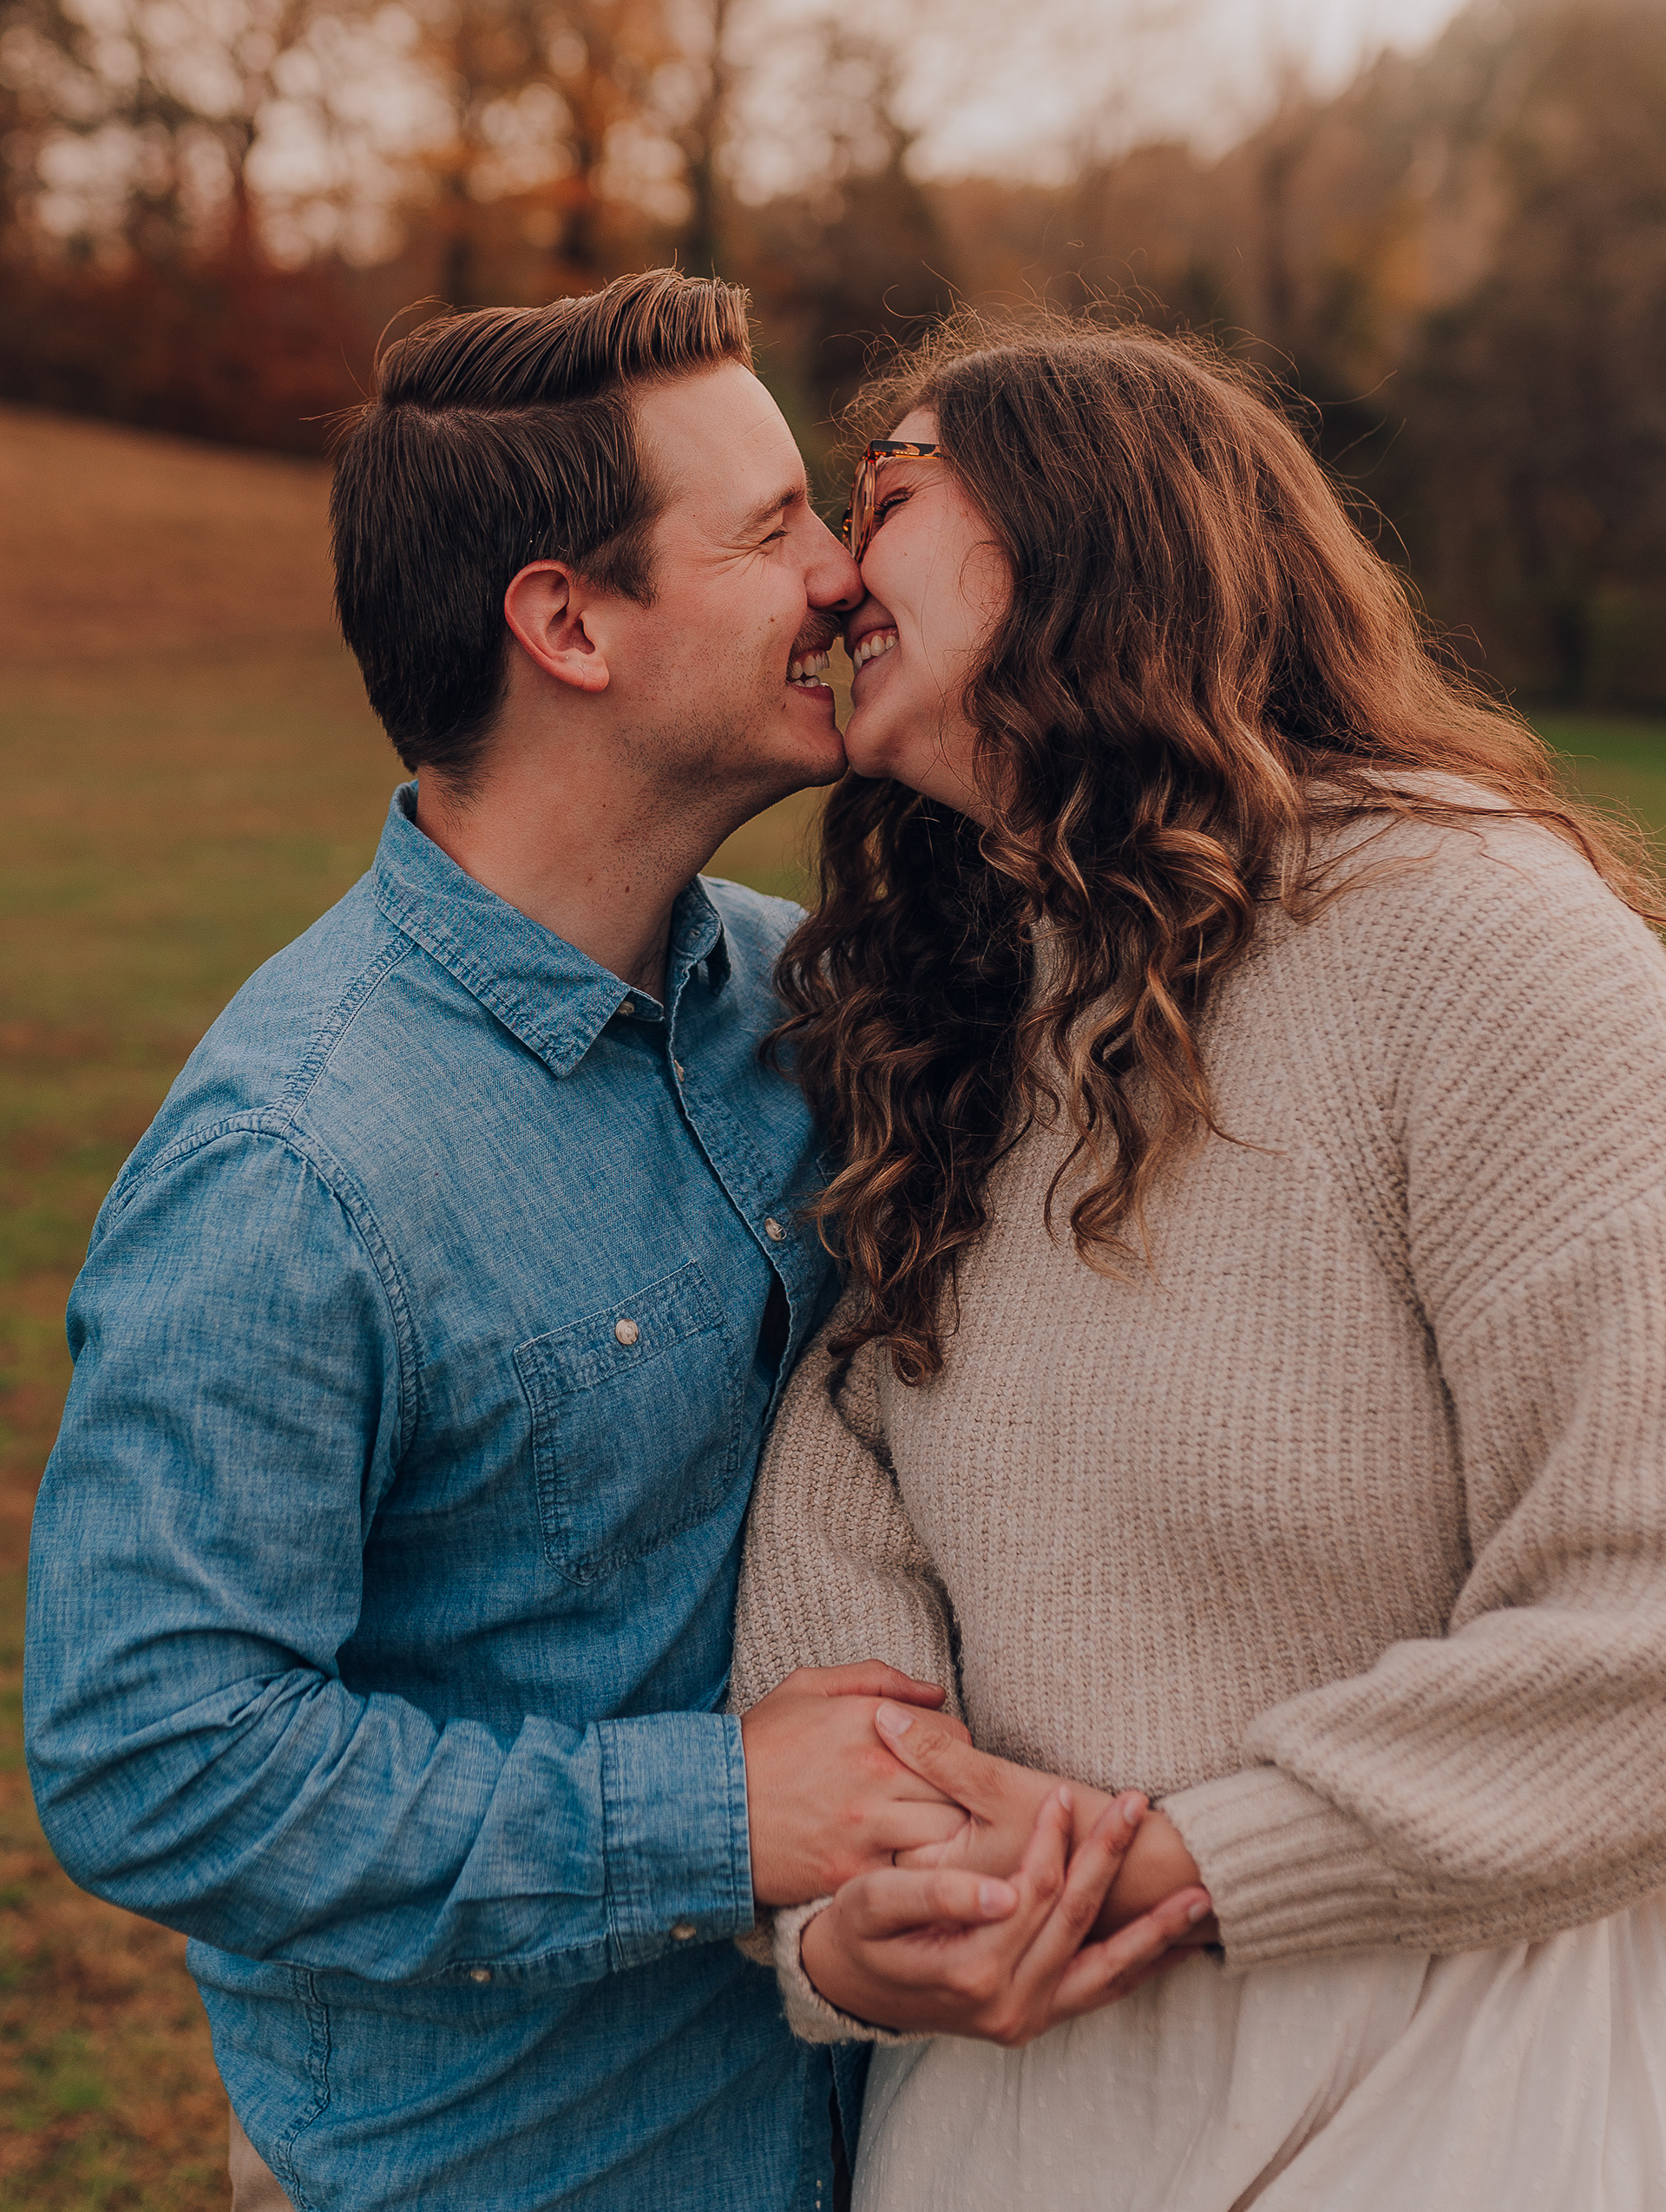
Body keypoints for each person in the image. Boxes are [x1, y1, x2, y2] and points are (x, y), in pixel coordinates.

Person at [23, 268, 998, 2212]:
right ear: (567, 624)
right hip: (512, 2166)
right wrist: (721, 1815)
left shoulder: (812, 1007)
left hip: (879, 2126)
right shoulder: (294, 1166)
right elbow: (156, 1753)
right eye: (770, 530)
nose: (840, 575)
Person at [729, 317, 1666, 2209]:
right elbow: (843, 1527)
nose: (833, 569)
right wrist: (853, 1929)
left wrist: (1181, 1861)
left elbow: (1639, 1609)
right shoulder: (945, 1006)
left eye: (887, 488)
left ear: (1088, 525)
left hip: (1444, 2080)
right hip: (1007, 2105)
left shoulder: (1483, 940)